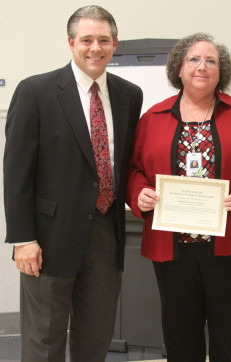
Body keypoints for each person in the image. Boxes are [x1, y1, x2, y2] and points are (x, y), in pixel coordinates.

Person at [126, 33, 231, 361]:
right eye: (193, 60)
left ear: (221, 71)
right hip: (173, 248)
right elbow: (132, 169)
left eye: (211, 61)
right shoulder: (152, 118)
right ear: (178, 69)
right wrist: (139, 193)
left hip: (230, 244)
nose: (202, 67)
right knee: (181, 335)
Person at [3, 5, 143, 361]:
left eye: (103, 40)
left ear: (115, 44)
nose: (95, 47)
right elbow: (16, 171)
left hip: (106, 237)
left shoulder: (130, 95)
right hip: (48, 242)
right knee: (43, 343)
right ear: (70, 43)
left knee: (95, 339)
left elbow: (124, 163)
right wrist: (23, 240)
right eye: (86, 40)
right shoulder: (36, 91)